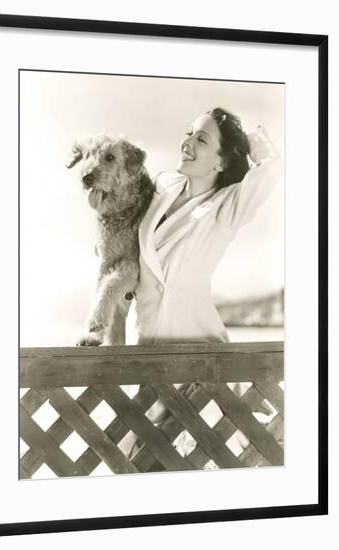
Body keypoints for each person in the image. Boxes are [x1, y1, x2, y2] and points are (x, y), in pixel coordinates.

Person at [126, 107, 283, 460]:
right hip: (143, 340)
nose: (187, 143)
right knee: (138, 455)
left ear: (222, 162)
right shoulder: (162, 186)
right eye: (188, 133)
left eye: (201, 138)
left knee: (188, 453)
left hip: (195, 347)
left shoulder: (226, 206)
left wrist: (256, 143)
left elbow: (273, 171)